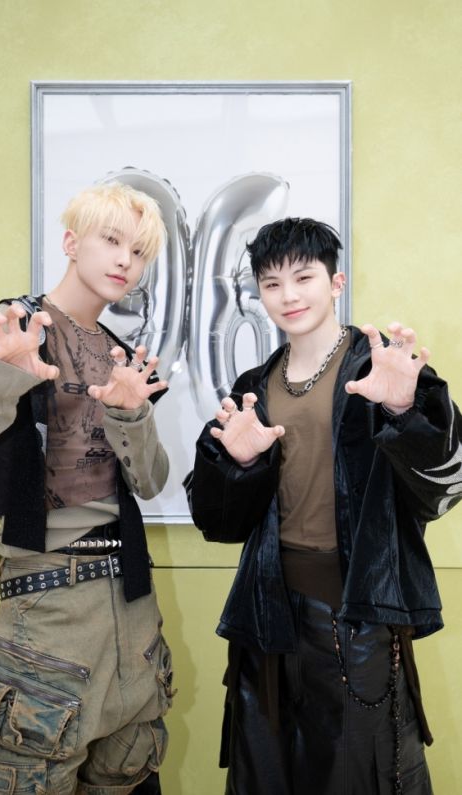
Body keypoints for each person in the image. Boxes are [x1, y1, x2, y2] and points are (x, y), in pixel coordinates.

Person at [184, 217, 462, 795]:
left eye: (303, 277)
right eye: (272, 283)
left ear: (336, 282)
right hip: (267, 613)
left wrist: (404, 413)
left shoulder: (378, 370)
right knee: (268, 776)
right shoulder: (253, 386)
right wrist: (236, 466)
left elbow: (447, 485)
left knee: (359, 774)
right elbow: (217, 522)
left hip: (358, 613)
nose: (288, 295)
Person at [0, 182, 176, 795]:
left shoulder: (123, 356)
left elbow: (150, 482)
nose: (125, 260)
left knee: (129, 778)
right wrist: (2, 378)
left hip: (132, 601)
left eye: (139, 252)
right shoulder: (16, 326)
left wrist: (131, 414)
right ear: (71, 242)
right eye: (112, 240)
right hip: (47, 601)